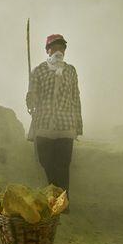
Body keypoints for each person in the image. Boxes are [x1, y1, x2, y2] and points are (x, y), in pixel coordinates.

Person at [26, 34, 82, 194]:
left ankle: (62, 203)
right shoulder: (39, 70)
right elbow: (32, 96)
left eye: (62, 47)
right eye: (55, 47)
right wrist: (31, 99)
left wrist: (78, 124)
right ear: (47, 50)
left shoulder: (71, 70)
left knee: (63, 164)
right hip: (44, 124)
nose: (59, 51)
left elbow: (75, 97)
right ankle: (54, 198)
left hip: (66, 125)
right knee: (46, 163)